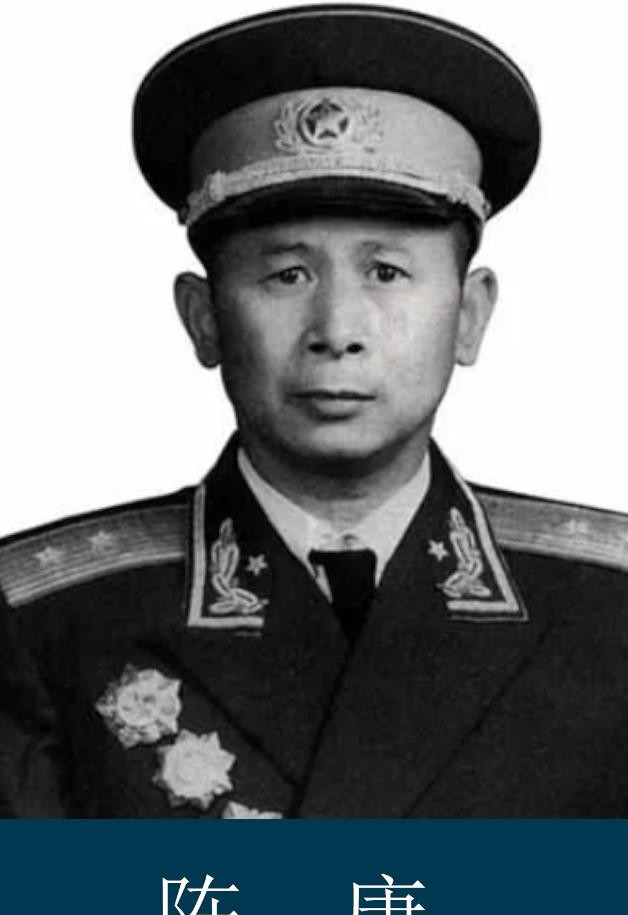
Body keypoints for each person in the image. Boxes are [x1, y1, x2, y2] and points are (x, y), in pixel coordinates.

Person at [1, 3, 627, 818]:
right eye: (286, 275)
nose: (338, 331)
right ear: (204, 319)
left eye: (387, 273)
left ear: (470, 315)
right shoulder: (45, 622)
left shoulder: (607, 610)